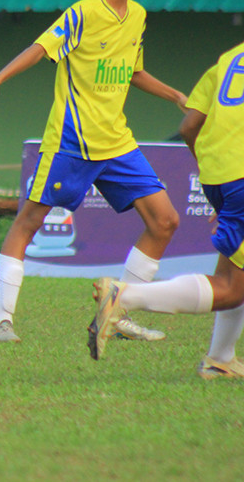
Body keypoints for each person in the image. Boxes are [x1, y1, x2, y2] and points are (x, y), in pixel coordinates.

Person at [0, 0, 187, 343]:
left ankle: (116, 314)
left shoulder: (137, 15)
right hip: (72, 142)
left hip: (117, 141)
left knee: (165, 220)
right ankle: (2, 321)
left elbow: (133, 70)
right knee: (28, 221)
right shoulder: (82, 13)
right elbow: (40, 48)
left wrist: (175, 94)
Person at [88, 41, 244, 377]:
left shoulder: (230, 57)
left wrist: (225, 185)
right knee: (232, 289)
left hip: (219, 175)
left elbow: (189, 127)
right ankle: (124, 297)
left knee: (233, 273)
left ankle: (220, 359)